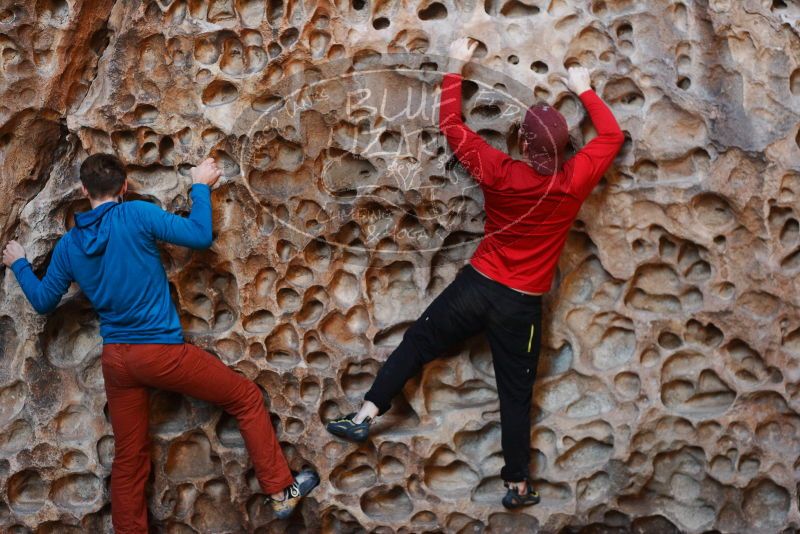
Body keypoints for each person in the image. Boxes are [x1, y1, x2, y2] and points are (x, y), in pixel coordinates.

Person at [325, 37, 625, 509]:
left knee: (418, 343)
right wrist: (584, 88)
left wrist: (456, 65)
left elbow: (450, 123)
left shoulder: (500, 171)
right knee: (515, 392)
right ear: (566, 147)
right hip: (519, 307)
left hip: (476, 286)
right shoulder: (574, 180)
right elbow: (611, 137)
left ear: (523, 144)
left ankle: (364, 414)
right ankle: (516, 487)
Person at [2, 155, 319, 532]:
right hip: (161, 352)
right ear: (125, 186)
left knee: (129, 459)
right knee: (245, 398)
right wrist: (200, 184)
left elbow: (41, 301)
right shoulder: (135, 215)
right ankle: (281, 490)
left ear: (84, 191)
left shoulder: (70, 246)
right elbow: (199, 235)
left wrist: (19, 262)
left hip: (117, 361)